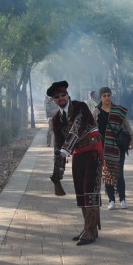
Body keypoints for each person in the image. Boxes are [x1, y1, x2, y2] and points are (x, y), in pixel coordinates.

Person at [48, 80, 103, 245]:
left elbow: (76, 128)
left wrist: (66, 148)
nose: (60, 98)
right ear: (53, 100)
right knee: (81, 191)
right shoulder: (56, 119)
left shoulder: (81, 107)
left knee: (90, 189)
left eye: (62, 94)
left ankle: (89, 229)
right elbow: (58, 147)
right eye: (57, 97)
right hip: (78, 155)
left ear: (68, 95)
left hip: (93, 151)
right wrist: (57, 173)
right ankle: (90, 229)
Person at [96, 86, 133, 209]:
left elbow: (126, 125)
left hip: (119, 147)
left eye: (109, 95)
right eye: (104, 96)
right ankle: (111, 200)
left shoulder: (118, 111)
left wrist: (132, 137)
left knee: (119, 173)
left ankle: (122, 199)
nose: (107, 97)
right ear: (101, 97)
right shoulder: (96, 112)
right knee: (107, 173)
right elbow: (92, 128)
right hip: (103, 148)